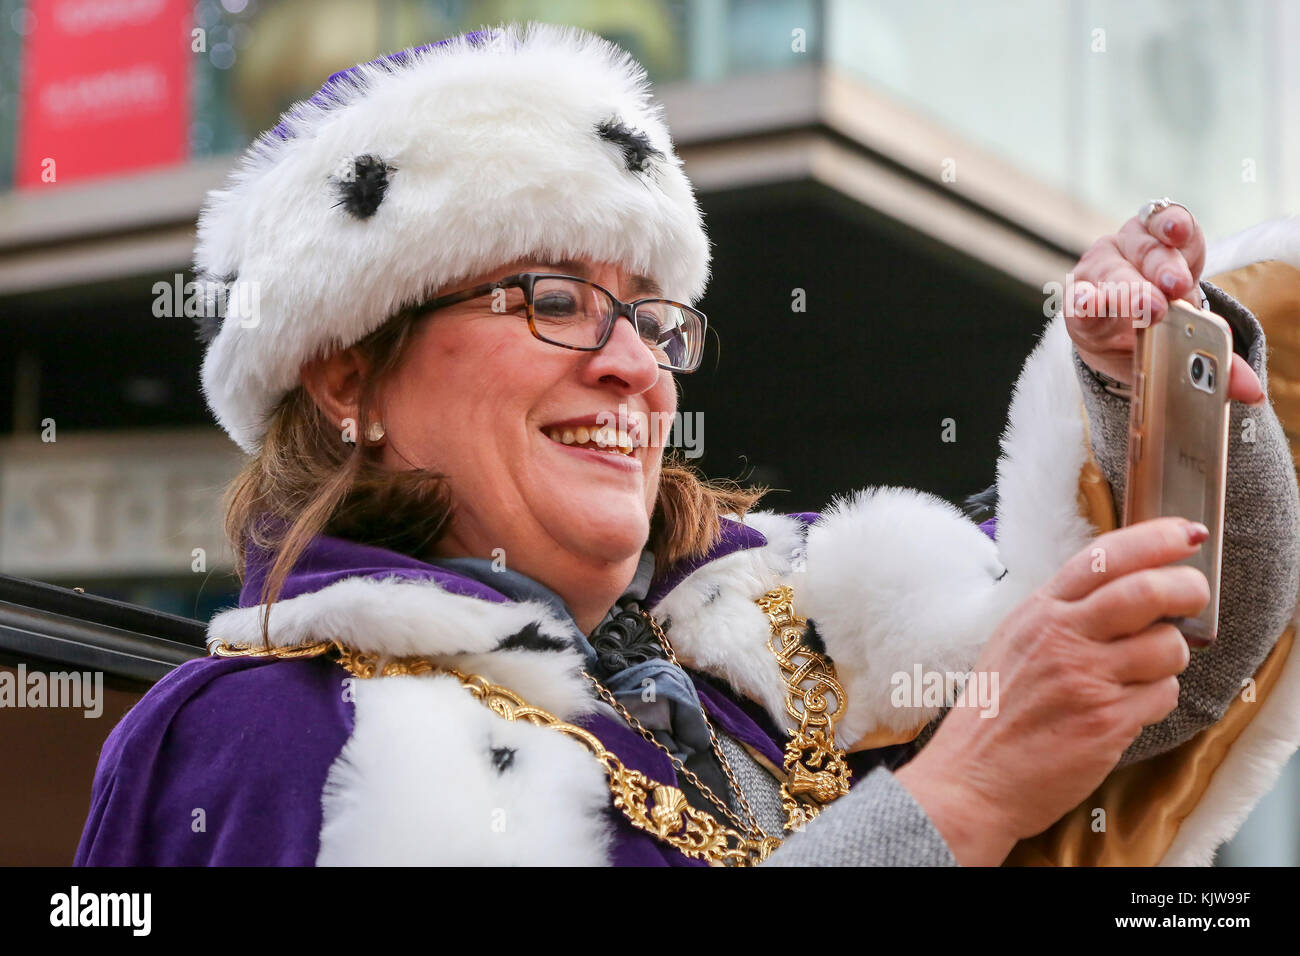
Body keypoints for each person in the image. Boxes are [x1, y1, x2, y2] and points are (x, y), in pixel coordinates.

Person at [75, 23, 1300, 867]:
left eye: (650, 317)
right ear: (349, 372)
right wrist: (958, 798)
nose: (629, 363)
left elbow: (1177, 673)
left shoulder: (787, 621)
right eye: (551, 298)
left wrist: (1130, 386)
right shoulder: (259, 741)